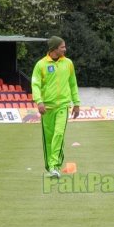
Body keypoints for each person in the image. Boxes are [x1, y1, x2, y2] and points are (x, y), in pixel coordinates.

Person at [31, 36, 80, 178]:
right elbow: (35, 85)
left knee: (59, 134)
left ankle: (55, 167)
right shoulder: (40, 65)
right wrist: (39, 101)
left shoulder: (68, 63)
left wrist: (76, 103)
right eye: (62, 47)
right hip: (46, 108)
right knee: (48, 138)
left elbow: (73, 84)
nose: (65, 49)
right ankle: (50, 167)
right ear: (53, 49)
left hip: (62, 106)